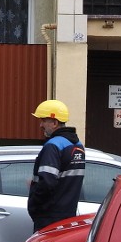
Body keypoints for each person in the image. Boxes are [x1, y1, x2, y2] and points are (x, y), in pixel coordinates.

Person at [27, 99, 86, 233]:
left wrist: (35, 206)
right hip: (68, 215)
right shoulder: (77, 146)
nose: (41, 125)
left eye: (43, 120)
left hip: (48, 217)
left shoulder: (53, 146)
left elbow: (47, 183)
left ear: (54, 123)